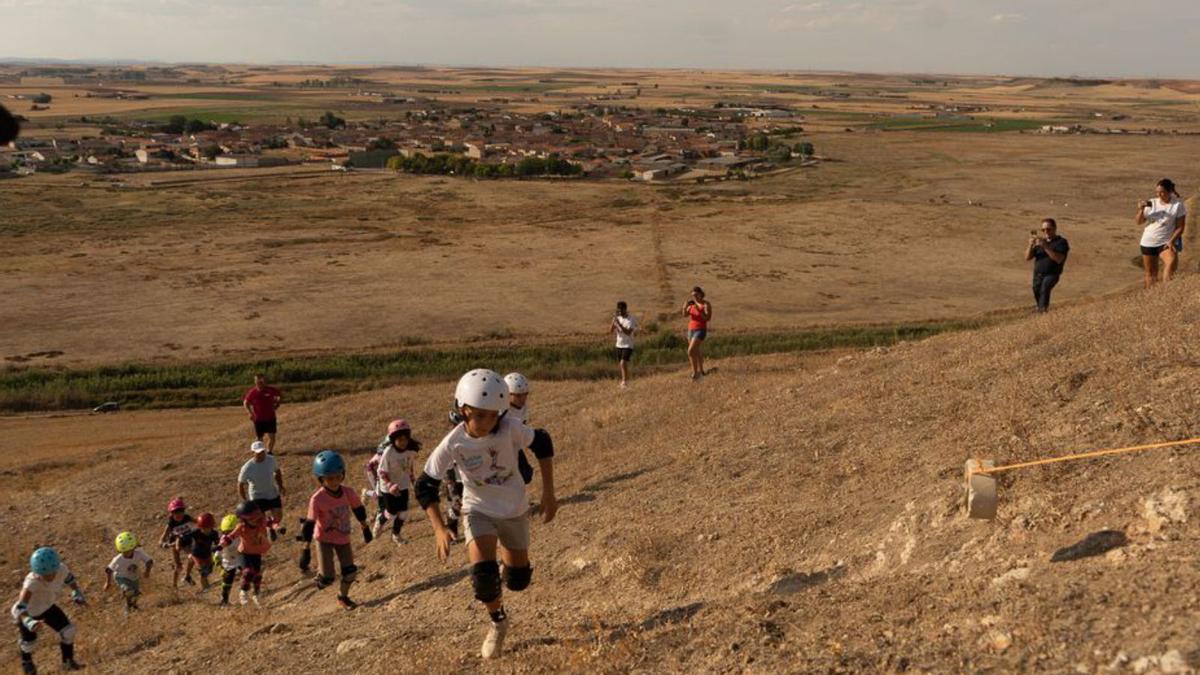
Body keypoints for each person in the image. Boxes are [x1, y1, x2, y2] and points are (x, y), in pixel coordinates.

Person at [415, 369, 558, 659]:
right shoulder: (453, 442)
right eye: (478, 415)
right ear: (462, 410)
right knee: (483, 578)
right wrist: (439, 528)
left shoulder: (510, 429)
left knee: (518, 580)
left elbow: (543, 442)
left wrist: (549, 493)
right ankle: (498, 623)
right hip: (477, 509)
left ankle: (507, 566)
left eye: (493, 415)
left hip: (514, 509)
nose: (486, 423)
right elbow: (425, 485)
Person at [299, 450, 373, 610]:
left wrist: (365, 527)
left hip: (343, 538)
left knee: (350, 572)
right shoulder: (317, 499)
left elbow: (359, 510)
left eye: (338, 476)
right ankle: (320, 578)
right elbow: (310, 524)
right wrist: (305, 550)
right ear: (321, 479)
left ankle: (343, 597)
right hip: (323, 539)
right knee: (328, 578)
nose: (334, 481)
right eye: (330, 478)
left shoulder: (348, 492)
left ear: (343, 474)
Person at [11, 547, 86, 673]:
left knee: (69, 632)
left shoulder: (61, 569)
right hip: (29, 612)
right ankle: (27, 662)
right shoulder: (32, 582)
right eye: (43, 575)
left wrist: (76, 592)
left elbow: (69, 579)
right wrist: (29, 621)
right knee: (30, 644)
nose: (48, 577)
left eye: (51, 573)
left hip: (47, 607)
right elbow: (20, 607)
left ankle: (68, 662)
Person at [372, 419, 422, 544]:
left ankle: (396, 534)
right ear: (393, 440)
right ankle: (380, 521)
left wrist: (413, 480)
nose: (403, 442)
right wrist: (389, 484)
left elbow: (409, 466)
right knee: (392, 513)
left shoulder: (410, 451)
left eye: (405, 439)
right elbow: (381, 471)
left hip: (402, 484)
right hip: (388, 487)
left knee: (404, 513)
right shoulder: (389, 452)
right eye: (399, 440)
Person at [218, 500, 274, 607]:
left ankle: (257, 594)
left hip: (257, 552)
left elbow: (271, 523)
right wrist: (221, 546)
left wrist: (278, 529)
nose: (255, 521)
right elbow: (231, 536)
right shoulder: (242, 527)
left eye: (256, 517)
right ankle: (243, 593)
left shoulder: (260, 522)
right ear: (244, 519)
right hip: (245, 553)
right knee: (248, 572)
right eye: (252, 519)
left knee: (257, 576)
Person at [1137, 178, 1188, 288]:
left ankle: (1166, 291)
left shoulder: (1177, 205)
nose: (1159, 194)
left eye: (1162, 192)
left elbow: (1180, 227)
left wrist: (1171, 241)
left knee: (1171, 262)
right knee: (1150, 274)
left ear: (1170, 191)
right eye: (1157, 192)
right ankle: (1150, 298)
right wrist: (1141, 210)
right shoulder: (1151, 203)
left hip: (1165, 242)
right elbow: (1139, 222)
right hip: (1148, 242)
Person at [238, 440, 287, 539]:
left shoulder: (271, 460)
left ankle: (272, 527)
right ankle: (269, 529)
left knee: (278, 517)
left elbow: (277, 472)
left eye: (262, 451)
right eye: (258, 452)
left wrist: (281, 486)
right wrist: (245, 501)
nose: (261, 454)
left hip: (272, 493)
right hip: (257, 496)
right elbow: (240, 484)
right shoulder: (247, 467)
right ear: (253, 453)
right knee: (261, 521)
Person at [1024, 218, 1070, 313]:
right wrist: (1030, 245)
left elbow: (1059, 259)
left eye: (1048, 229)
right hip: (1038, 274)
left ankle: (1041, 312)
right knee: (1037, 290)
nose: (1046, 232)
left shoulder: (1061, 242)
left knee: (1045, 288)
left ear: (1055, 228)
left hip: (1052, 273)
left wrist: (1045, 246)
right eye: (1043, 230)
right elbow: (1027, 258)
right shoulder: (1040, 241)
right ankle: (1041, 309)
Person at [104, 532, 153, 614]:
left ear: (134, 548)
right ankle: (127, 607)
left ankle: (133, 606)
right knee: (128, 590)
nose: (127, 553)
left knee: (136, 594)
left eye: (129, 551)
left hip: (134, 577)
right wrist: (108, 583)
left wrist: (147, 571)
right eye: (124, 552)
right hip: (121, 577)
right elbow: (109, 570)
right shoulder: (117, 559)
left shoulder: (139, 553)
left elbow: (149, 561)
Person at [504, 373, 536, 484]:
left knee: (525, 475)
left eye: (525, 395)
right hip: (499, 448)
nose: (523, 399)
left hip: (514, 447)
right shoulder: (501, 410)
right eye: (518, 396)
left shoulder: (523, 409)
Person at [158, 497, 196, 588]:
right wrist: (165, 544)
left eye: (180, 511)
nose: (178, 514)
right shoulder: (171, 524)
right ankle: (174, 585)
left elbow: (198, 522)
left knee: (192, 558)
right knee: (178, 567)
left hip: (187, 542)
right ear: (171, 513)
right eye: (175, 512)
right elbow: (161, 540)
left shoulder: (187, 518)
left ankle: (187, 576)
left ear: (184, 511)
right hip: (175, 544)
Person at [243, 374, 282, 453]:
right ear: (255, 381)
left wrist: (277, 403)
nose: (259, 382)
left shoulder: (271, 390)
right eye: (257, 381)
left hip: (270, 418)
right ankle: (259, 453)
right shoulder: (252, 392)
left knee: (272, 437)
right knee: (259, 438)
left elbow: (279, 395)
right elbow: (246, 402)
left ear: (264, 381)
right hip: (258, 419)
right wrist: (250, 413)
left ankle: (269, 452)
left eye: (261, 380)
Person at [184, 513, 220, 593]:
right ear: (200, 527)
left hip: (207, 553)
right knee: (202, 571)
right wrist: (177, 538)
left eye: (208, 528)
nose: (205, 530)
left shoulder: (214, 534)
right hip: (196, 554)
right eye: (203, 528)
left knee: (209, 569)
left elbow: (218, 543)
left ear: (212, 526)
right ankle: (205, 588)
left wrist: (217, 547)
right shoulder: (196, 532)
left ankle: (204, 582)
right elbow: (185, 537)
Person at [682, 286, 712, 380]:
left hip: (700, 329)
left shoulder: (706, 304)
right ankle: (702, 371)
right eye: (692, 295)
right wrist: (684, 307)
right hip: (691, 329)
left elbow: (707, 318)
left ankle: (695, 373)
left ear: (700, 294)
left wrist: (699, 310)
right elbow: (685, 315)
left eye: (696, 295)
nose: (694, 297)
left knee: (690, 351)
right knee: (696, 351)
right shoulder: (692, 304)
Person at [609, 301, 638, 388]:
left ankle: (625, 382)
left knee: (623, 363)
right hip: (619, 344)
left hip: (628, 344)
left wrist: (620, 324)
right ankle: (624, 381)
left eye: (621, 310)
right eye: (618, 311)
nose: (620, 312)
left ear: (625, 309)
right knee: (621, 364)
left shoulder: (631, 319)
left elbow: (628, 332)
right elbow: (610, 331)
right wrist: (613, 322)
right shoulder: (617, 318)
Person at [216, 514, 242, 606]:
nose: (228, 534)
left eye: (230, 531)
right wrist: (217, 561)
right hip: (228, 563)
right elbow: (218, 551)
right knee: (227, 581)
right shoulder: (224, 539)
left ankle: (250, 592)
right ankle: (224, 599)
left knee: (248, 574)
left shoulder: (240, 536)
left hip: (240, 560)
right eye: (225, 532)